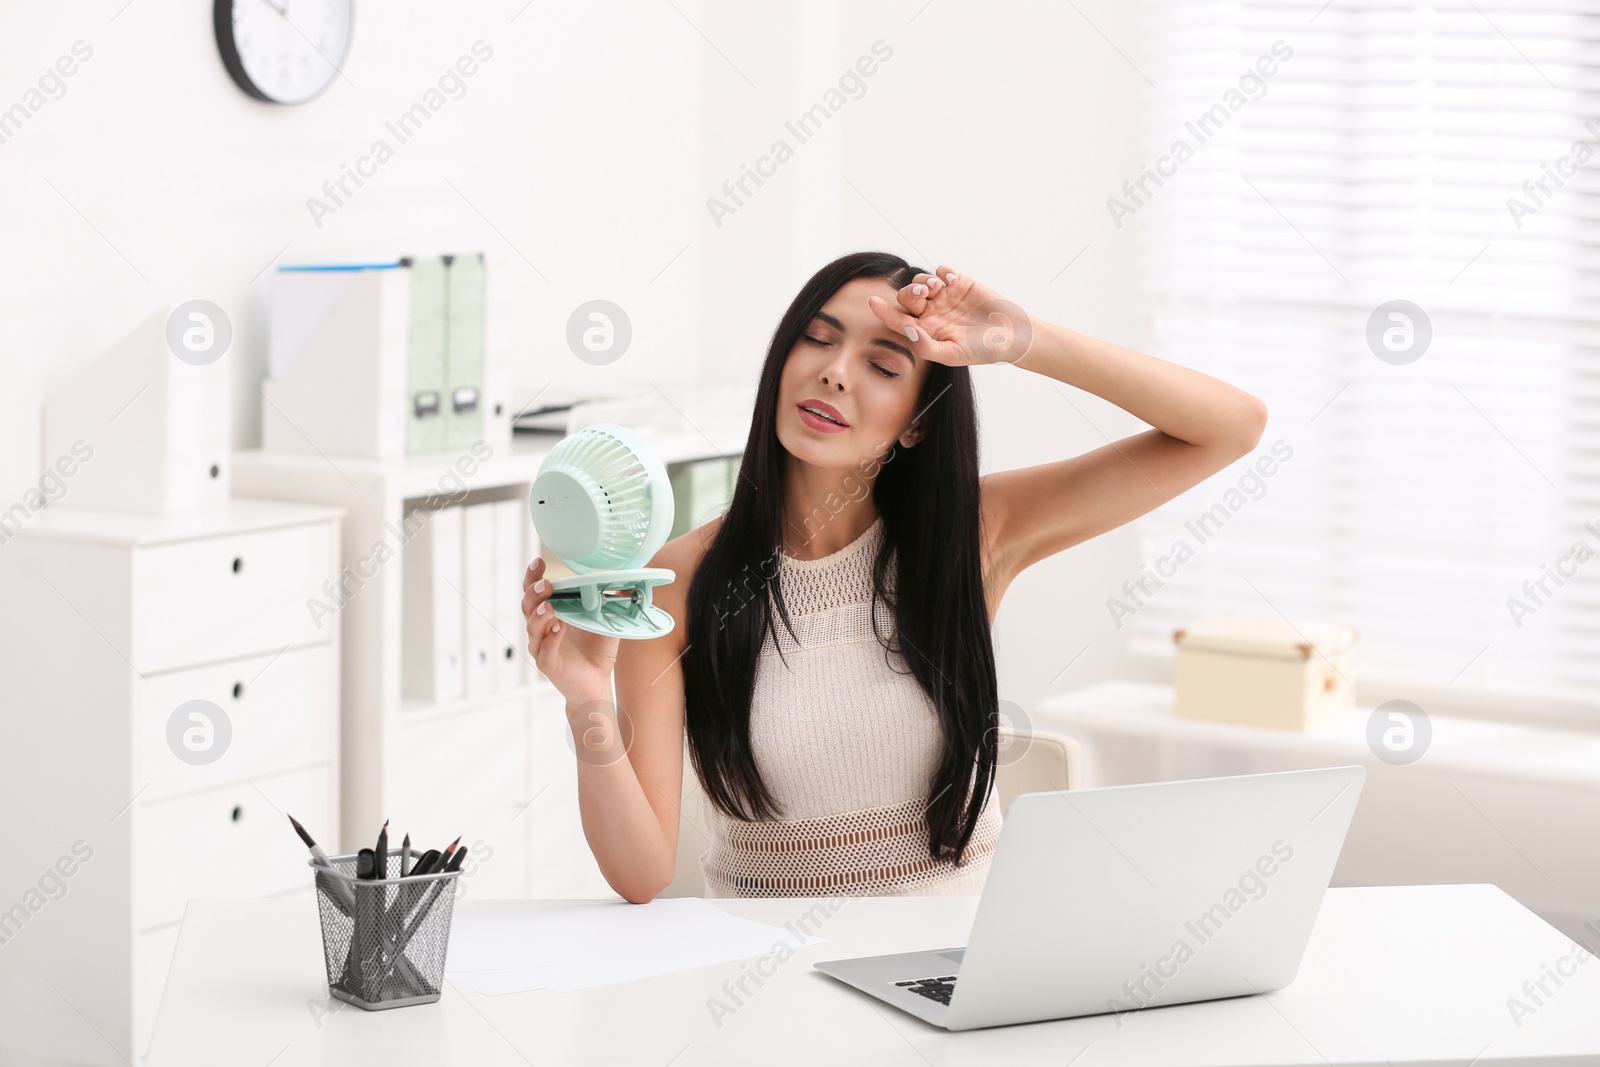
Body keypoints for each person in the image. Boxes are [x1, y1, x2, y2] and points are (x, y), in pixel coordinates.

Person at [522, 250, 1267, 903]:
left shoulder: (972, 536)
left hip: (962, 963)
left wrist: (1022, 341)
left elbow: (1231, 426)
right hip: (765, 985)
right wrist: (587, 698)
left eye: (881, 364)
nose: (833, 372)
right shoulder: (679, 582)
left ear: (917, 422)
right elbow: (640, 872)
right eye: (815, 340)